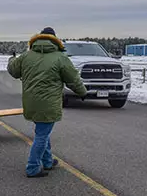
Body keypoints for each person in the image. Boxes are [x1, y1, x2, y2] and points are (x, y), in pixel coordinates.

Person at [7, 27, 87, 178]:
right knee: (42, 135)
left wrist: (11, 59)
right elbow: (73, 79)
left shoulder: (26, 56)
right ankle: (32, 167)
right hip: (49, 103)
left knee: (43, 132)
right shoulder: (60, 58)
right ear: (55, 40)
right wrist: (82, 92)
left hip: (31, 102)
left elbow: (13, 71)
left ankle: (48, 161)